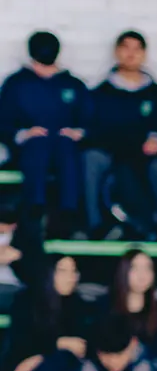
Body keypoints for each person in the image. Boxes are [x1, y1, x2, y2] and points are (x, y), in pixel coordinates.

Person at [82, 31, 157, 239]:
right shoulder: (100, 93)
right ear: (116, 52)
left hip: (147, 156)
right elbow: (92, 129)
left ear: (144, 54)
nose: (131, 54)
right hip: (111, 154)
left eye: (137, 49)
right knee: (91, 159)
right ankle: (95, 226)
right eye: (125, 47)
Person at [0, 32, 90, 234]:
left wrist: (78, 133)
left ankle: (68, 218)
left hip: (66, 151)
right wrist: (23, 134)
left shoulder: (72, 84)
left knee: (66, 149)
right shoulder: (16, 84)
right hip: (29, 152)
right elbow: (3, 123)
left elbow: (90, 120)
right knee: (38, 145)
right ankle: (35, 213)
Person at [110, 248, 157, 367]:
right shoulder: (108, 304)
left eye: (147, 268)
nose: (142, 274)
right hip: (114, 366)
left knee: (144, 366)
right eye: (135, 268)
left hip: (148, 366)